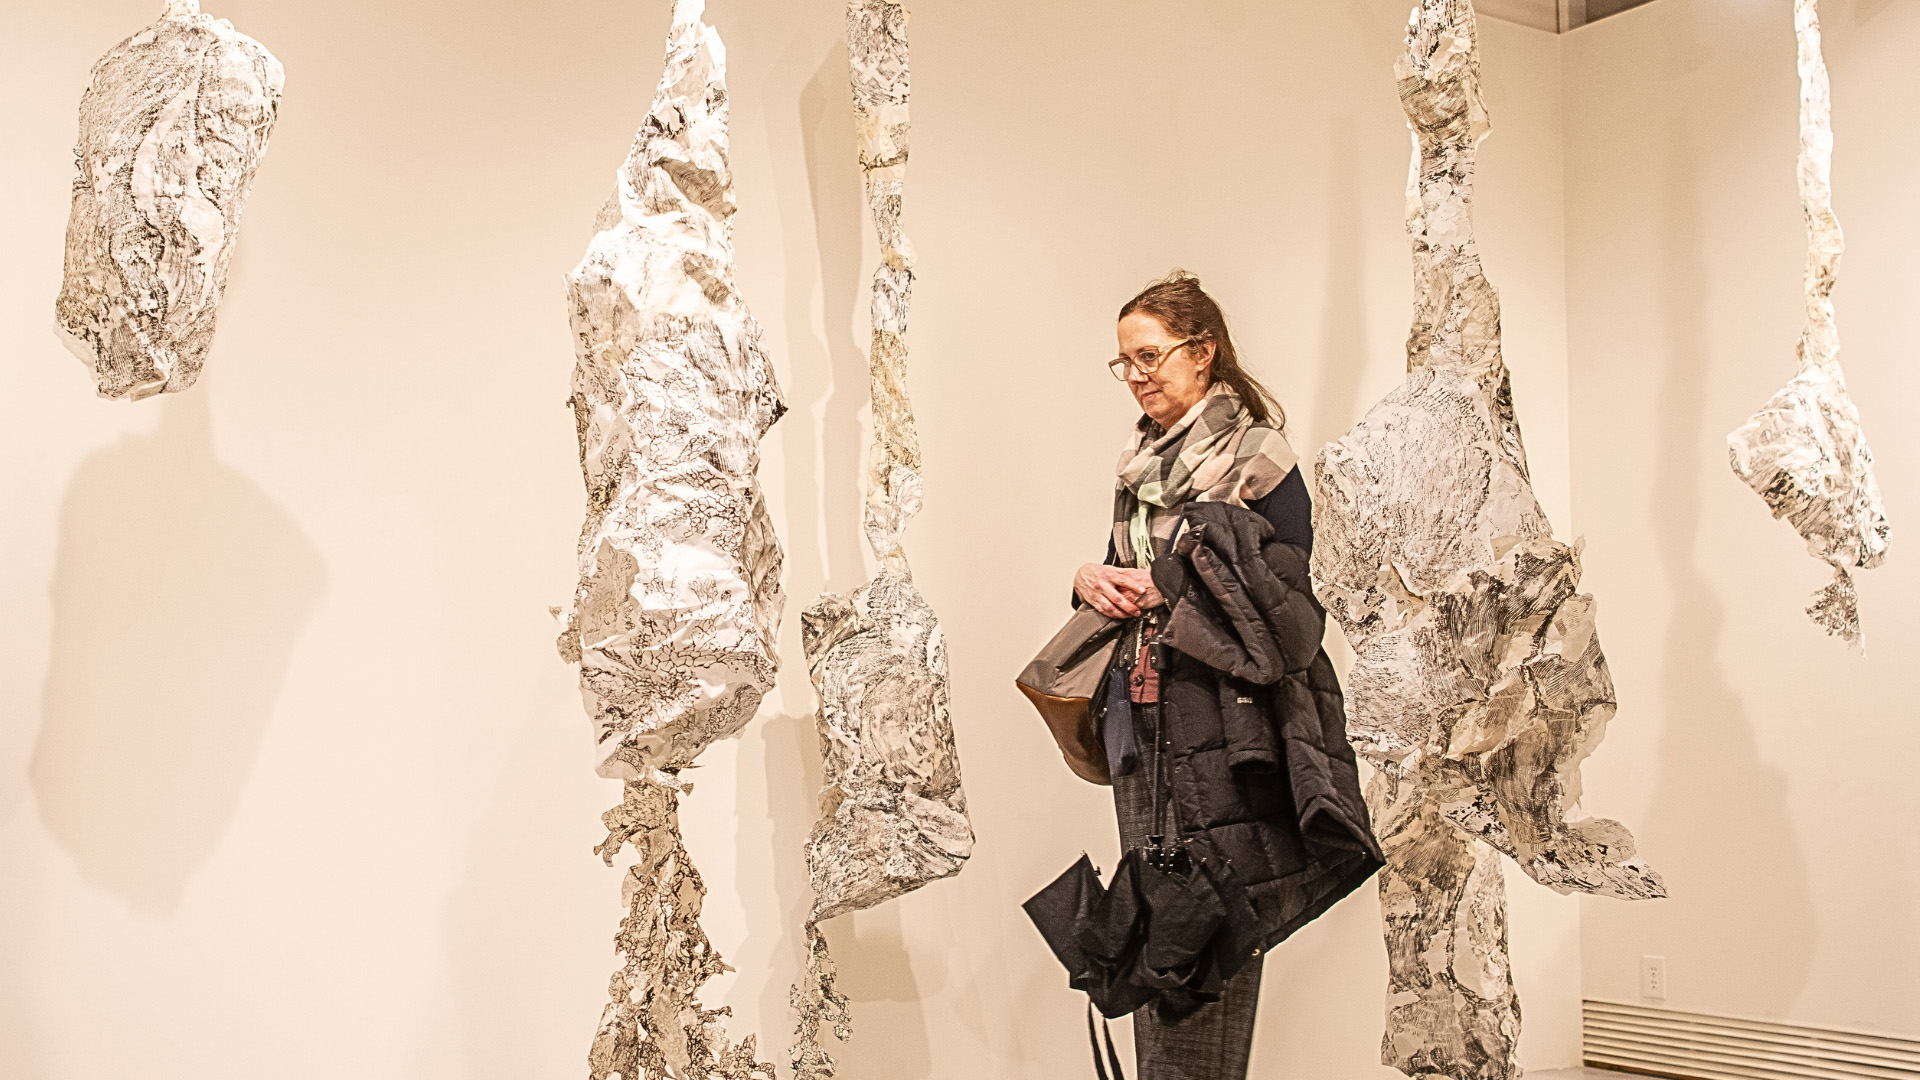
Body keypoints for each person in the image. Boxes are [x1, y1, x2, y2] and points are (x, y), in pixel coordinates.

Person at [1072, 271, 1320, 1080]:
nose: (1137, 374)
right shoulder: (1137, 465)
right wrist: (1088, 580)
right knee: (1153, 923)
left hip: (1223, 726)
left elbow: (1289, 608)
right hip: (1140, 721)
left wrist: (1167, 587)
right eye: (1125, 362)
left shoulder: (1259, 459)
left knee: (1212, 926)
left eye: (1149, 355)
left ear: (1202, 351)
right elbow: (1127, 576)